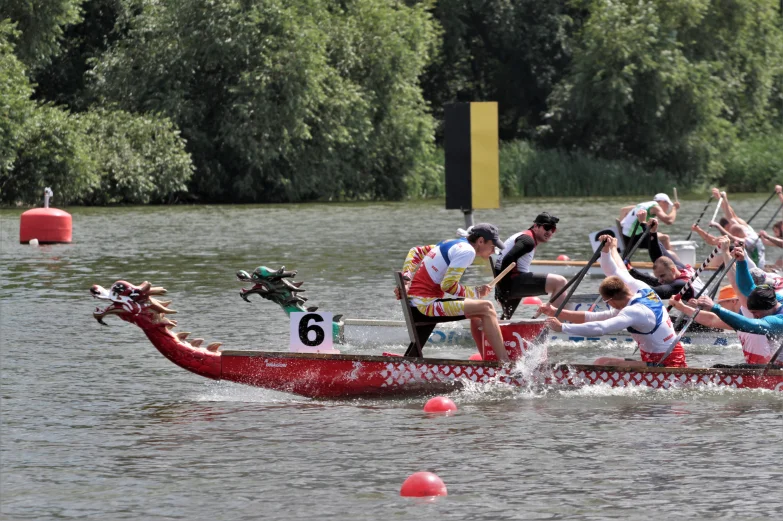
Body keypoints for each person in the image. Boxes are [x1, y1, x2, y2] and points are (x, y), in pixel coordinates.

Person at [537, 235, 687, 367]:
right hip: (670, 356)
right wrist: (605, 250)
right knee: (602, 362)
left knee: (605, 363)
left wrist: (562, 328)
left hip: (667, 364)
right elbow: (613, 272)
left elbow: (600, 328)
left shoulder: (633, 312)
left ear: (611, 300)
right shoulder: (643, 289)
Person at [397, 223, 510, 362]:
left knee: (478, 312)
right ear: (480, 241)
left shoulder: (450, 243)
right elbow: (448, 285)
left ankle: (486, 362)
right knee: (487, 308)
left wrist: (406, 277)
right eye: (492, 246)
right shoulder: (468, 251)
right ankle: (505, 363)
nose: (493, 251)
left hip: (417, 303)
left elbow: (415, 251)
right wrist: (474, 292)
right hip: (425, 307)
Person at [493, 212, 567, 319]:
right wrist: (503, 289)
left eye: (553, 230)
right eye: (547, 228)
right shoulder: (528, 240)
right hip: (512, 282)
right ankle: (553, 324)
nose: (550, 232)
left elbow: (501, 263)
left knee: (506, 318)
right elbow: (507, 259)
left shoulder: (525, 236)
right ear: (536, 226)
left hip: (508, 281)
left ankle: (495, 330)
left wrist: (499, 287)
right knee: (560, 282)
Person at [626, 218, 704, 300]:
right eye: (659, 277)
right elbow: (659, 254)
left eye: (662, 276)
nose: (660, 280)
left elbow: (657, 293)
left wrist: (626, 291)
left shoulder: (681, 284)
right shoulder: (681, 269)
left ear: (673, 270)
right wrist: (649, 229)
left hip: (702, 311)